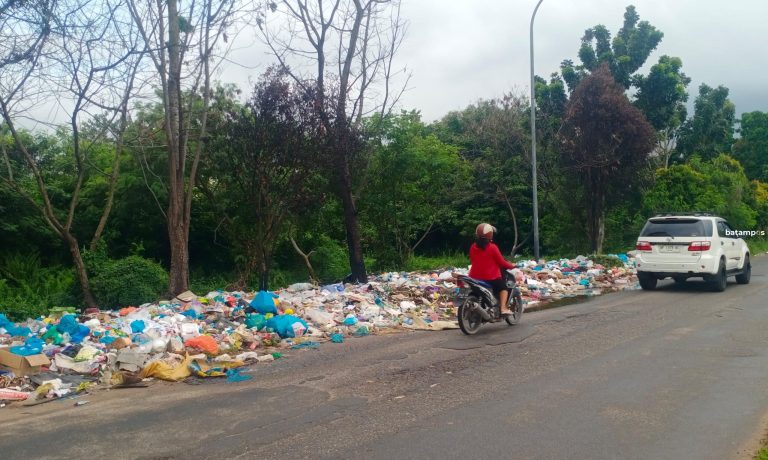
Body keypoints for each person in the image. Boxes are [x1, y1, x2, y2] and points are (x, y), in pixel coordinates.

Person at [468, 223, 516, 316]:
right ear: (490, 235)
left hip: (474, 277)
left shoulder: (473, 247)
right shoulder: (492, 247)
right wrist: (512, 266)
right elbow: (502, 263)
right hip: (491, 278)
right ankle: (503, 308)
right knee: (503, 288)